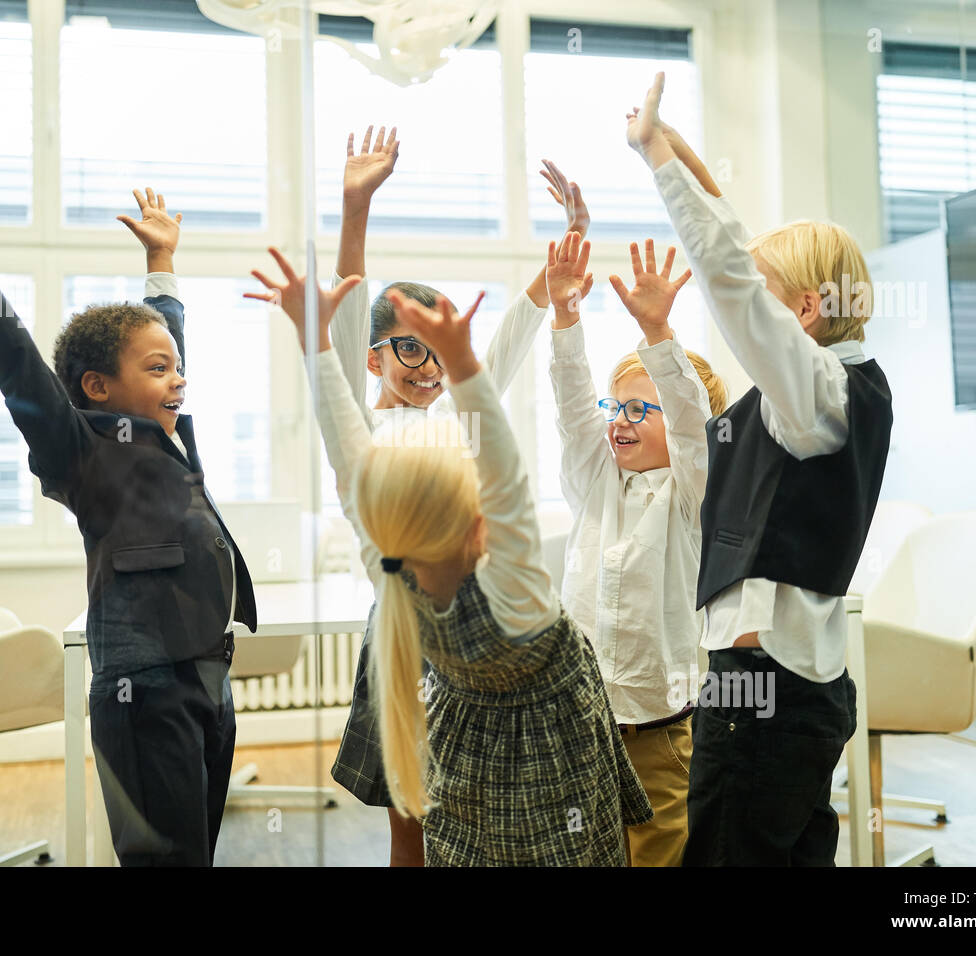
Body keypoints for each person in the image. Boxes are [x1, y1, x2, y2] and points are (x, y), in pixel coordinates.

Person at [0, 129, 259, 866]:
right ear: (96, 389)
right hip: (142, 689)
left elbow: (167, 334)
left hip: (208, 677)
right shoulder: (78, 446)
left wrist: (162, 261)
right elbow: (9, 351)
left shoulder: (163, 429)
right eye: (158, 369)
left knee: (197, 853)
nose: (178, 378)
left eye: (177, 367)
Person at [248, 245, 651, 866]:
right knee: (448, 830)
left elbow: (345, 445)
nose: (428, 368)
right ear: (477, 523)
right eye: (412, 349)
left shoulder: (389, 540)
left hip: (506, 710)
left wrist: (316, 343)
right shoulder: (502, 572)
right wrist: (455, 360)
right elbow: (498, 472)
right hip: (477, 703)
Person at [626, 73, 893, 866]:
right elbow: (739, 253)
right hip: (781, 690)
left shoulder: (816, 394)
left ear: (804, 311)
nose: (746, 318)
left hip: (762, 694)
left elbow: (734, 281)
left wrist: (657, 164)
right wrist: (676, 151)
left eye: (772, 302)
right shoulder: (823, 388)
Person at [318, 126, 591, 865]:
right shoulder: (359, 438)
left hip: (471, 626)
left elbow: (499, 346)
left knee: (463, 812)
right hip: (402, 629)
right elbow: (338, 331)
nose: (428, 368)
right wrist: (354, 211)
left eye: (438, 352)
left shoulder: (450, 417)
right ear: (375, 356)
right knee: (408, 813)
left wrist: (559, 261)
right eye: (410, 349)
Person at [545, 220, 726, 865]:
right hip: (583, 721)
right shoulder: (595, 481)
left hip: (659, 727)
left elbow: (689, 419)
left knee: (657, 852)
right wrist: (566, 317)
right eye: (617, 407)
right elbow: (572, 408)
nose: (622, 421)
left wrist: (657, 334)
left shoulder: (690, 493)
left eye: (640, 410)